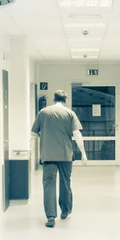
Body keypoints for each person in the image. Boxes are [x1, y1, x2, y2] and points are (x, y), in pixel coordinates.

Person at [31, 90, 88, 228]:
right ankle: (65, 210)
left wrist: (45, 138)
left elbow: (33, 133)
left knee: (49, 185)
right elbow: (77, 134)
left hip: (48, 155)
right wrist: (83, 153)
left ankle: (50, 216)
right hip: (65, 155)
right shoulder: (69, 114)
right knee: (65, 182)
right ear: (65, 100)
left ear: (53, 98)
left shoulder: (43, 113)